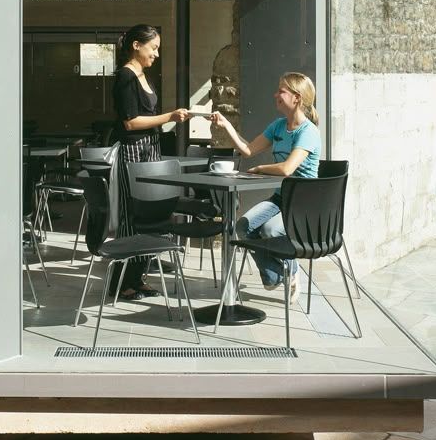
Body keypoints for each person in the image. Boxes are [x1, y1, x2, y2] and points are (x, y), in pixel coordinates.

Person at [210, 72, 321, 300]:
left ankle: (286, 269)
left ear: (297, 98)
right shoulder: (278, 126)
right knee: (243, 227)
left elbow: (287, 169)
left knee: (270, 230)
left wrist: (261, 168)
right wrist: (226, 125)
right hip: (281, 198)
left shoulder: (308, 131)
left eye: (281, 91)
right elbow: (248, 150)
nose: (275, 94)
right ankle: (280, 272)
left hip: (303, 203)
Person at [111, 24, 189, 300]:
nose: (156, 54)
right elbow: (131, 122)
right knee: (131, 213)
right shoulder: (125, 77)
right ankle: (122, 282)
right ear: (136, 45)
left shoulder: (143, 76)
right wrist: (170, 117)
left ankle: (138, 277)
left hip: (150, 149)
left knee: (150, 211)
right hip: (133, 151)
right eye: (153, 48)